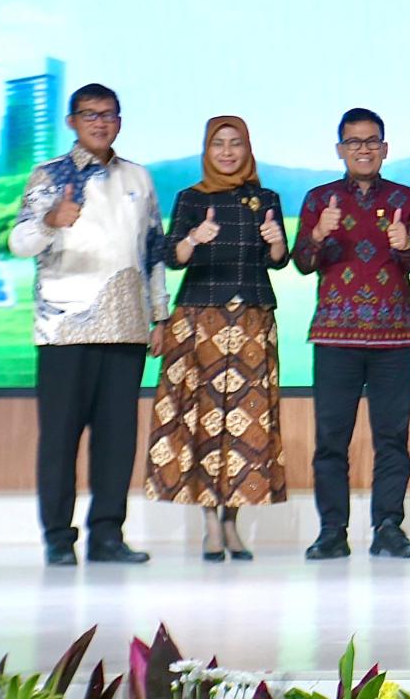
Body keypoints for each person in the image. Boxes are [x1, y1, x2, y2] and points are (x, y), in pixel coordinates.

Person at [8, 83, 166, 566]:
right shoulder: (49, 175)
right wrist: (51, 220)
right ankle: (58, 538)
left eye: (108, 114)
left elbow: (154, 249)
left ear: (119, 121)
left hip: (126, 327)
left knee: (117, 441)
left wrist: (159, 314)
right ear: (72, 122)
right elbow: (19, 242)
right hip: (64, 329)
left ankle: (107, 536)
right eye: (90, 114)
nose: (100, 122)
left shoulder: (138, 177)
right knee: (59, 439)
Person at [146, 115, 290, 562]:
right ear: (206, 150)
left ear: (248, 149)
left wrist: (277, 241)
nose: (227, 152)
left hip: (252, 319)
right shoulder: (191, 198)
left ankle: (233, 522)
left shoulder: (266, 198)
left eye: (235, 143)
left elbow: (277, 260)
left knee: (248, 421)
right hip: (200, 320)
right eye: (218, 144)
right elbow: (173, 257)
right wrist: (194, 237)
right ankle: (211, 523)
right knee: (204, 419)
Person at [293, 108, 410, 561]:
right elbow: (302, 262)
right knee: (331, 440)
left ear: (385, 148)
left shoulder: (406, 198)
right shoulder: (320, 199)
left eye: (372, 141)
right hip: (335, 338)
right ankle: (332, 530)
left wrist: (406, 245)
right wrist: (318, 234)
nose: (363, 149)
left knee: (392, 438)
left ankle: (388, 527)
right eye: (354, 142)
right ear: (340, 149)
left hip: (395, 338)